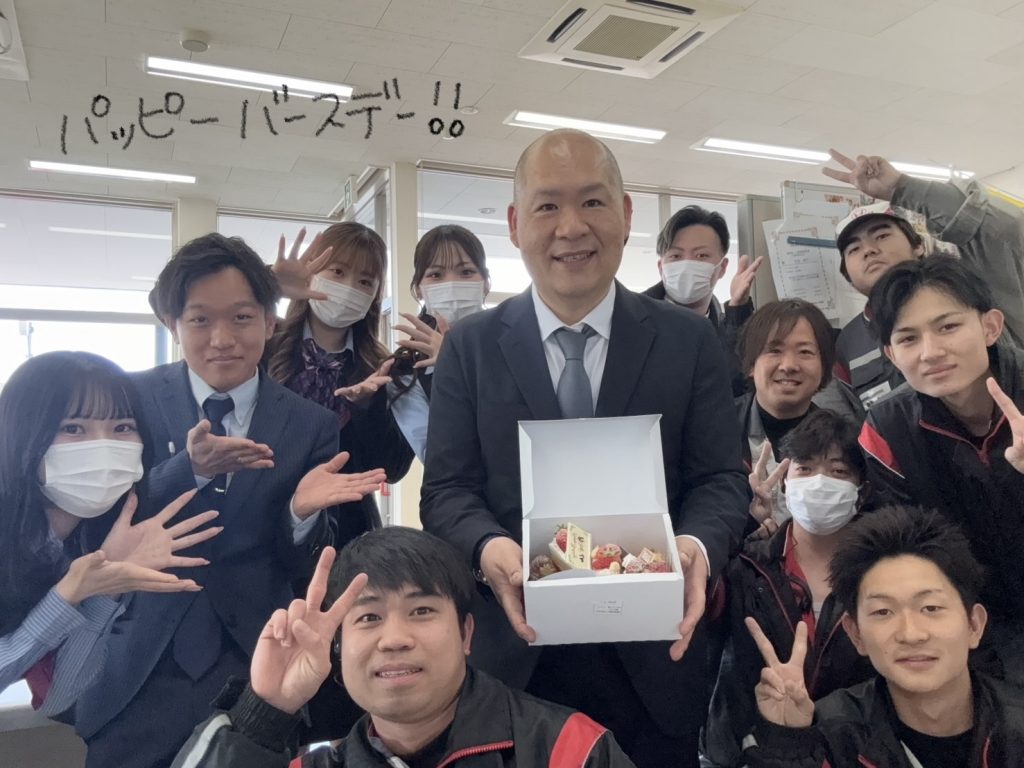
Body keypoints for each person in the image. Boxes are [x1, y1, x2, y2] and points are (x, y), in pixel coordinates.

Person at [419, 128, 750, 768]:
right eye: (547, 206)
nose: (571, 227)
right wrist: (489, 549)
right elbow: (448, 491)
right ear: (515, 224)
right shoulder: (472, 346)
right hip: (516, 652)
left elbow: (720, 479)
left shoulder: (688, 341)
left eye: (593, 202)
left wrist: (696, 544)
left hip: (654, 656)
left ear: (625, 215)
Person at [75, 233, 387, 768]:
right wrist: (189, 470)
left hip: (257, 660)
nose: (222, 339)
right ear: (173, 324)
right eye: (200, 320)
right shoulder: (131, 398)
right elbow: (98, 517)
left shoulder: (310, 423)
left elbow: (303, 562)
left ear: (269, 321)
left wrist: (299, 514)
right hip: (140, 662)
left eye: (242, 318)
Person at [170, 526, 637, 767]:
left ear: (466, 634)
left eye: (421, 611)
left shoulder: (568, 751)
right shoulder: (316, 764)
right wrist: (264, 714)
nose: (394, 639)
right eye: (369, 617)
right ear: (338, 647)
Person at [0, 351, 219, 715]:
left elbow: (61, 697)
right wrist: (65, 596)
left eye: (122, 428)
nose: (102, 445)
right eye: (73, 428)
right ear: (23, 434)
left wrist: (105, 587)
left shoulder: (89, 539)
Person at [742, 506, 1024, 768]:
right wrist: (786, 745)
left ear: (974, 625)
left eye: (931, 608)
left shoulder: (1016, 728)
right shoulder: (829, 735)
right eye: (883, 612)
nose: (911, 634)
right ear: (856, 634)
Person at [857, 255, 1024, 687]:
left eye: (948, 327)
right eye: (908, 338)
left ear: (990, 327)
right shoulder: (887, 428)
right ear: (892, 354)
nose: (931, 352)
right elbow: (909, 547)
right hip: (976, 627)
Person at [703, 410, 874, 767]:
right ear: (784, 483)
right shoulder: (746, 565)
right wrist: (738, 521)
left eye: (838, 471)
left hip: (850, 751)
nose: (819, 483)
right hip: (750, 749)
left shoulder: (883, 572)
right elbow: (695, 602)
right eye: (805, 469)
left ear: (861, 488)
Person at [823, 149, 1024, 411]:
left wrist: (903, 188)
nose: (869, 250)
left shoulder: (975, 291)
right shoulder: (848, 343)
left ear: (918, 245)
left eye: (882, 236)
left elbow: (1000, 231)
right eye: (854, 249)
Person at [268, 223, 415, 531]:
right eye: (337, 272)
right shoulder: (265, 343)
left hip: (348, 531)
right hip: (264, 520)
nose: (349, 288)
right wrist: (268, 285)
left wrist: (367, 408)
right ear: (312, 271)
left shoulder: (381, 366)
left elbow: (392, 469)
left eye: (365, 281)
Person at [387, 224, 492, 461]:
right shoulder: (406, 370)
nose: (451, 283)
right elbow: (437, 456)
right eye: (436, 275)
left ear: (485, 282)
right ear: (419, 289)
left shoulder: (516, 344)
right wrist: (452, 367)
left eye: (466, 272)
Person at [735, 299, 836, 536]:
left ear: (824, 367)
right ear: (751, 364)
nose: (789, 365)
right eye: (774, 350)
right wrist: (747, 525)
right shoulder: (714, 431)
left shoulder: (842, 441)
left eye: (805, 352)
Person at [642, 205, 759, 397]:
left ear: (722, 268)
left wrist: (738, 311)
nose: (687, 264)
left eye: (701, 256)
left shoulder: (725, 326)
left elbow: (739, 393)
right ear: (661, 267)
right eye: (676, 256)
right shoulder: (630, 320)